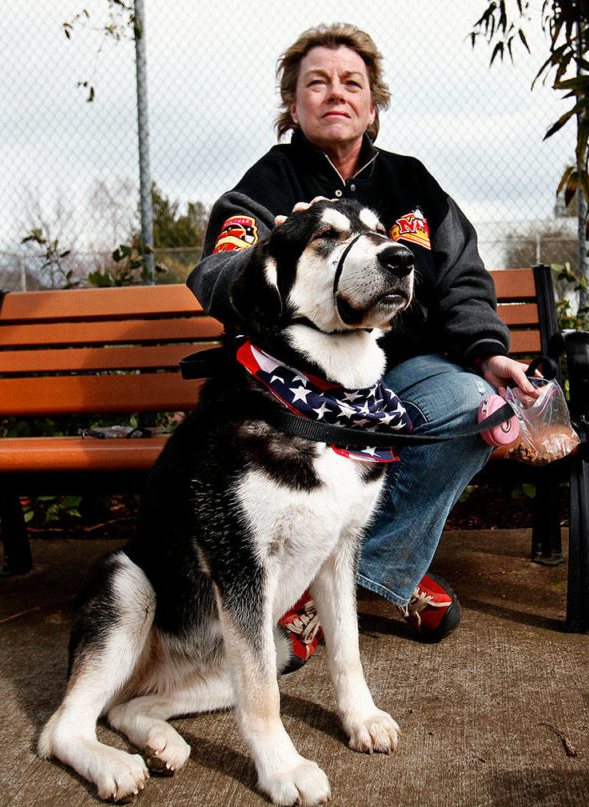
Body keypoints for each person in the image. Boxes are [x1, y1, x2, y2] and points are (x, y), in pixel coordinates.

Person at [187, 22, 538, 663]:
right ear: (292, 106)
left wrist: (488, 352)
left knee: (472, 407)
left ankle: (363, 577)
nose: (335, 93)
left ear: (373, 104)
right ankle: (375, 580)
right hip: (301, 386)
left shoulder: (413, 185)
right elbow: (217, 276)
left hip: (403, 371)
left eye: (352, 82)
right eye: (315, 83)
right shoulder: (263, 189)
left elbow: (460, 278)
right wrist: (284, 242)